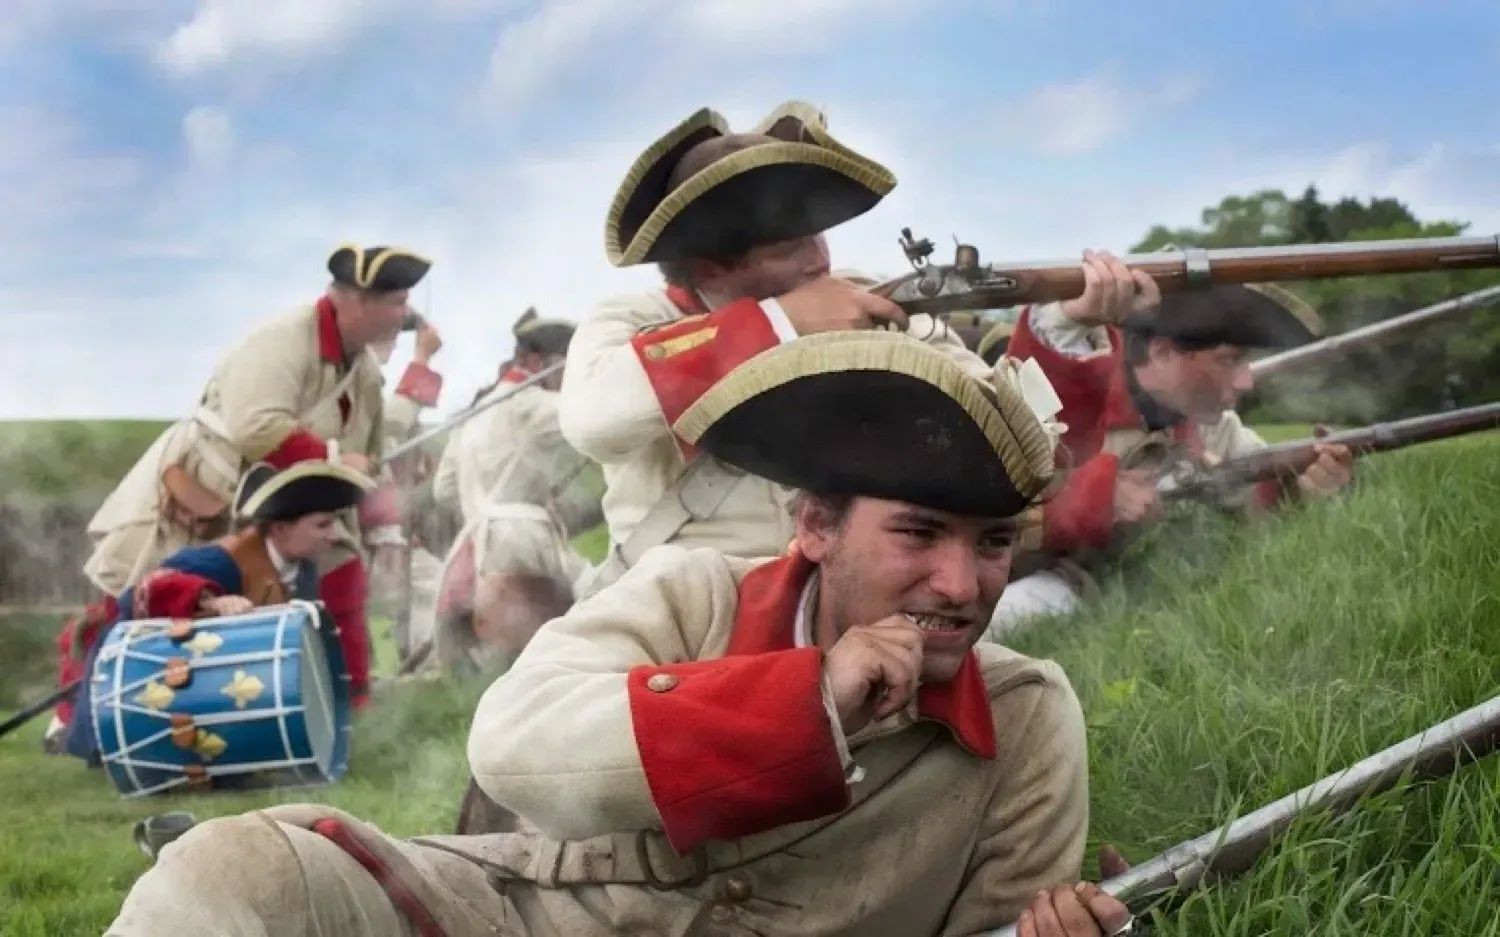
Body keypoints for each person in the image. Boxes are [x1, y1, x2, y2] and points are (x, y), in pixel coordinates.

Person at [104, 328, 1134, 937]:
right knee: (232, 872)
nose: (961, 584)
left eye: (994, 542)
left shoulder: (1027, 718)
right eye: (919, 532)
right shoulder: (693, 595)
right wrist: (808, 700)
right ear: (813, 525)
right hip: (515, 920)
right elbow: (512, 740)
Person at [558, 99, 993, 598]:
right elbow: (593, 421)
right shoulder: (634, 320)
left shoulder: (857, 296)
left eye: (818, 236)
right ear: (710, 269)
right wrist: (783, 322)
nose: (820, 261)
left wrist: (1064, 326)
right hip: (684, 612)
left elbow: (992, 406)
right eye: (790, 248)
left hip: (835, 602)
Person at [59, 244, 429, 724]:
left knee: (341, 574)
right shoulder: (281, 340)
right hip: (205, 489)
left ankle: (347, 708)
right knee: (131, 596)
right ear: (356, 301)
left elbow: (371, 451)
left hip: (288, 501)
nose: (405, 313)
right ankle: (68, 715)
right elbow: (256, 426)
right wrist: (337, 457)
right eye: (396, 302)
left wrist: (371, 494)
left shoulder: (364, 373)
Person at [986, 252, 1356, 637]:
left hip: (1077, 586)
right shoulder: (1063, 393)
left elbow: (1256, 491)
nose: (1246, 382)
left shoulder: (1209, 426)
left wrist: (1304, 487)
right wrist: (1093, 498)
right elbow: (987, 491)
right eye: (1230, 359)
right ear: (1162, 352)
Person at [63, 459, 375, 766]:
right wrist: (210, 601)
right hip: (130, 693)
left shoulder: (304, 569)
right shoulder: (221, 561)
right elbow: (141, 594)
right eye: (322, 524)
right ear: (280, 529)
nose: (333, 534)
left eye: (334, 523)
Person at [426, 309, 593, 672]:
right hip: (522, 537)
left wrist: (484, 500)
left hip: (481, 541)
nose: (569, 376)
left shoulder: (471, 415)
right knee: (592, 606)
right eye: (564, 364)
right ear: (536, 361)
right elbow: (593, 417)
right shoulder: (527, 402)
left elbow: (444, 490)